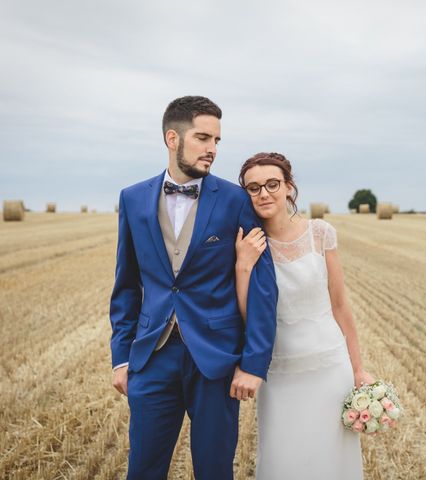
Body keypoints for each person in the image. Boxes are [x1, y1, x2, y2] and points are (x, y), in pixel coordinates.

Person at [109, 96, 278, 479]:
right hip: (152, 357)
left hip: (216, 359)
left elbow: (263, 289)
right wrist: (122, 356)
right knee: (143, 469)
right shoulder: (132, 199)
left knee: (215, 470)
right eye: (203, 138)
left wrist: (253, 363)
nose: (212, 149)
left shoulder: (236, 200)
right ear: (173, 138)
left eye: (217, 140)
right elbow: (126, 286)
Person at [235, 152, 373, 479]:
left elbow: (340, 306)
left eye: (272, 184)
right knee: (282, 461)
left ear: (288, 188)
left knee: (332, 460)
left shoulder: (320, 232)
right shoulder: (248, 243)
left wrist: (358, 369)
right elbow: (246, 315)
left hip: (330, 366)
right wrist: (243, 264)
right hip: (279, 370)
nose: (264, 193)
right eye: (253, 188)